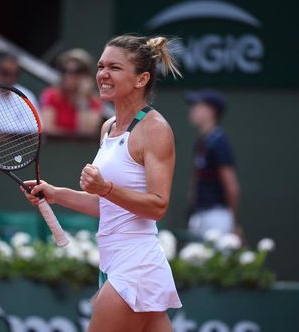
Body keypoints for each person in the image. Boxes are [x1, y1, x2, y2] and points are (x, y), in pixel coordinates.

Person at [23, 35, 182, 331]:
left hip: (136, 266)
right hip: (114, 264)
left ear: (141, 79)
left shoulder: (155, 129)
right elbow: (107, 205)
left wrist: (106, 188)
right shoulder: (108, 127)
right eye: (100, 66)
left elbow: (158, 206)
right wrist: (57, 194)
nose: (103, 74)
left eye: (114, 68)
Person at [186, 89, 240, 238]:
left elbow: (232, 187)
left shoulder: (219, 142)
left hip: (217, 216)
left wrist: (232, 222)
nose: (192, 110)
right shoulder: (202, 141)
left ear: (211, 111)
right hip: (200, 214)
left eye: (197, 105)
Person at [39, 49, 103, 136]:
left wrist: (83, 99)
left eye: (77, 71)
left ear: (86, 75)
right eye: (65, 70)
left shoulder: (94, 101)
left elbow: (87, 133)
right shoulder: (51, 95)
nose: (69, 76)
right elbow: (49, 130)